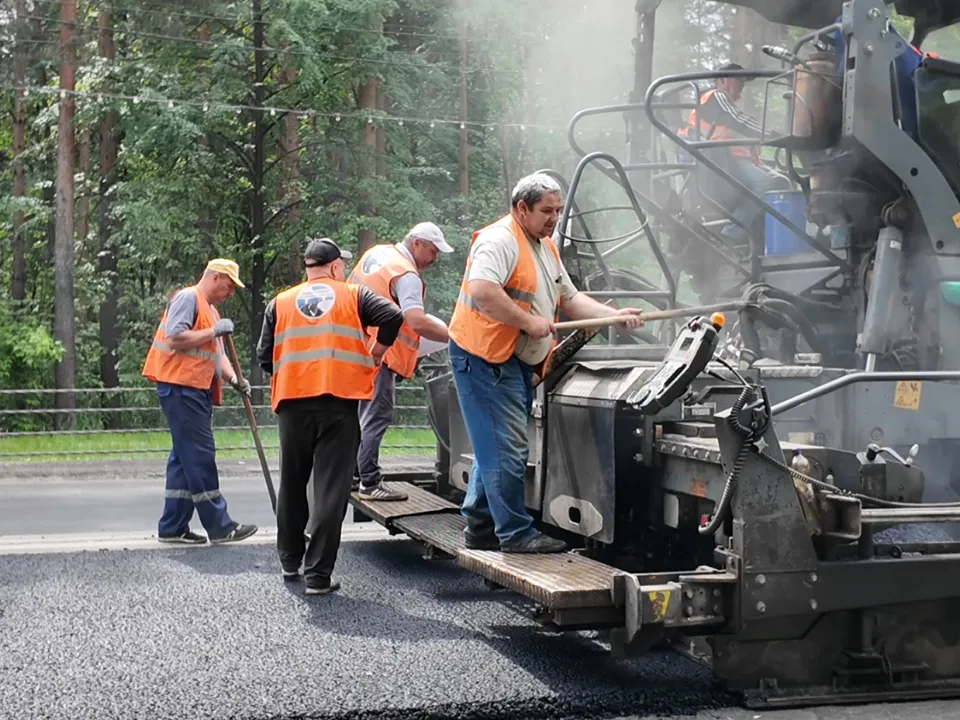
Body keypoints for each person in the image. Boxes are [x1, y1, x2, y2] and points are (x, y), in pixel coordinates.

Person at [446, 173, 645, 554]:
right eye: (546, 210)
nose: (555, 217)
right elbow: (483, 291)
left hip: (513, 359)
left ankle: (481, 524)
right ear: (522, 208)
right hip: (485, 357)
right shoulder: (500, 240)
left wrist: (611, 316)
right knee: (507, 449)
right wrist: (529, 322)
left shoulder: (544, 246)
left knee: (495, 445)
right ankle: (515, 535)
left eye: (557, 209)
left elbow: (569, 298)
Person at [257, 237, 405, 595]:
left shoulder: (280, 302)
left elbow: (265, 356)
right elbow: (394, 316)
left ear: (307, 268)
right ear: (337, 266)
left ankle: (290, 560)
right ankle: (318, 576)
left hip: (292, 403)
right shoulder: (354, 294)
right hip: (338, 402)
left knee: (292, 483)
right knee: (330, 490)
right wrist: (376, 352)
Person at [141, 258, 259, 546]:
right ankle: (220, 526)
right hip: (181, 388)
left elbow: (217, 356)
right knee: (200, 457)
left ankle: (173, 527)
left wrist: (234, 380)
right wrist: (214, 331)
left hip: (195, 390)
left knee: (184, 459)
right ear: (215, 277)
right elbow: (176, 338)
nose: (230, 293)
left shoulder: (211, 311)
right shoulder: (187, 298)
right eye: (229, 286)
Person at [347, 222, 454, 502]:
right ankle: (369, 482)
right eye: (432, 251)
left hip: (353, 346)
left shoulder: (378, 255)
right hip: (380, 352)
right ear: (416, 243)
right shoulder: (406, 274)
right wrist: (457, 338)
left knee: (356, 417)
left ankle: (354, 475)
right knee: (377, 414)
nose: (434, 259)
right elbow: (416, 321)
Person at [679, 62, 790, 243]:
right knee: (764, 183)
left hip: (734, 158)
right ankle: (732, 233)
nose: (742, 86)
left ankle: (778, 241)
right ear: (723, 80)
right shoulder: (716, 96)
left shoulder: (721, 102)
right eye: (739, 81)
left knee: (782, 182)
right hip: (721, 159)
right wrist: (771, 135)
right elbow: (737, 120)